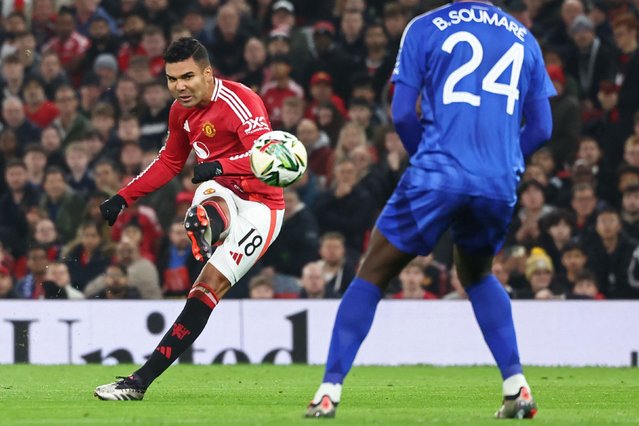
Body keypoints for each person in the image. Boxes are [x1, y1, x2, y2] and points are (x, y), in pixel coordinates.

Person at [306, 0, 554, 419]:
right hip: (497, 182)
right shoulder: (524, 37)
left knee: (373, 271)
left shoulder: (425, 26)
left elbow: (402, 112)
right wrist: (505, 158)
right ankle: (517, 386)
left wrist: (433, 161)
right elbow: (543, 127)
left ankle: (329, 389)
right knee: (476, 273)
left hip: (436, 174)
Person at [94, 37, 285, 400]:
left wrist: (221, 164)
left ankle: (207, 233)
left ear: (208, 73)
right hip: (221, 190)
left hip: (262, 206)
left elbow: (267, 156)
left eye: (187, 77)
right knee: (207, 207)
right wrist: (122, 197)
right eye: (171, 79)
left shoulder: (242, 101)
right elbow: (169, 162)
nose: (179, 87)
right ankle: (207, 227)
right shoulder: (180, 110)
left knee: (206, 289)